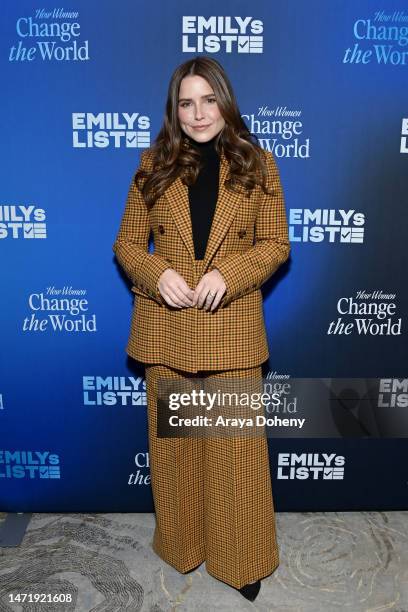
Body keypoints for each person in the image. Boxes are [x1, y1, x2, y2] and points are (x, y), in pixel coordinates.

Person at [112, 56, 291, 601]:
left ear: (225, 101)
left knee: (235, 452)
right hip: (167, 328)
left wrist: (228, 274)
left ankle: (245, 559)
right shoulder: (152, 165)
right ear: (175, 109)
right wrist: (156, 273)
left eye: (208, 100)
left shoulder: (260, 165)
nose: (198, 113)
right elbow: (125, 243)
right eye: (186, 103)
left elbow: (276, 243)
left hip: (230, 326)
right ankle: (184, 544)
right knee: (175, 451)